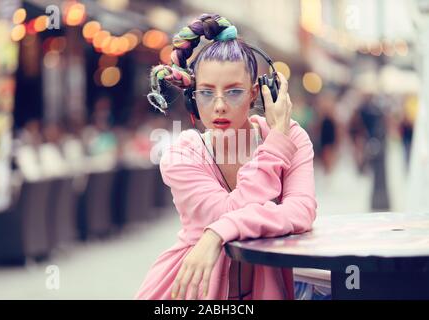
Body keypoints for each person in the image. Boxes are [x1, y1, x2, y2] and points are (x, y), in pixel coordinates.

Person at [135, 14, 317, 300]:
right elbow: (227, 211)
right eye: (207, 92)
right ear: (193, 96)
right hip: (188, 292)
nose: (219, 106)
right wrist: (275, 147)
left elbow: (301, 213)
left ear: (256, 93)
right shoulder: (182, 155)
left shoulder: (291, 137)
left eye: (233, 91)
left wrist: (216, 234)